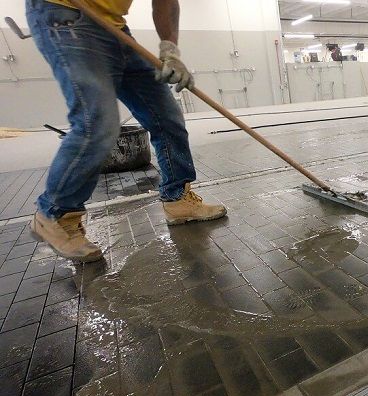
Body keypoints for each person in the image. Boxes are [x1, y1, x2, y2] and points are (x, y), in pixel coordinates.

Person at [26, 0, 227, 263]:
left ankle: (177, 198)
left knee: (166, 116)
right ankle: (56, 214)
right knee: (97, 123)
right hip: (65, 15)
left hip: (117, 28)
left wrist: (170, 50)